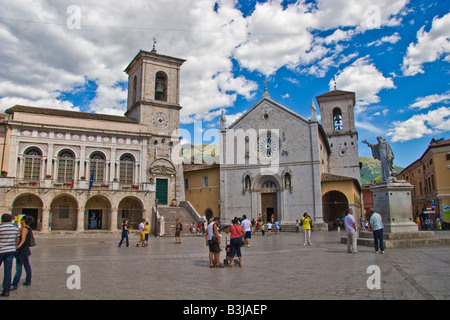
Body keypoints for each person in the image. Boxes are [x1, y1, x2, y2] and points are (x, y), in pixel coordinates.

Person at [11, 216, 34, 290]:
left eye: (21, 220)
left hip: (22, 250)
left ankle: (15, 284)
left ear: (23, 220)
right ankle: (28, 280)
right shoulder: (29, 228)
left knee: (19, 267)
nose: (20, 221)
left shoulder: (24, 229)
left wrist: (18, 245)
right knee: (26, 265)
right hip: (26, 249)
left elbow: (23, 239)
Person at [0, 213, 20, 297]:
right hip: (11, 251)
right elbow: (17, 240)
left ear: (2, 219)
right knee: (8, 271)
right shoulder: (15, 229)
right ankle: (6, 291)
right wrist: (14, 247)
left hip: (1, 250)